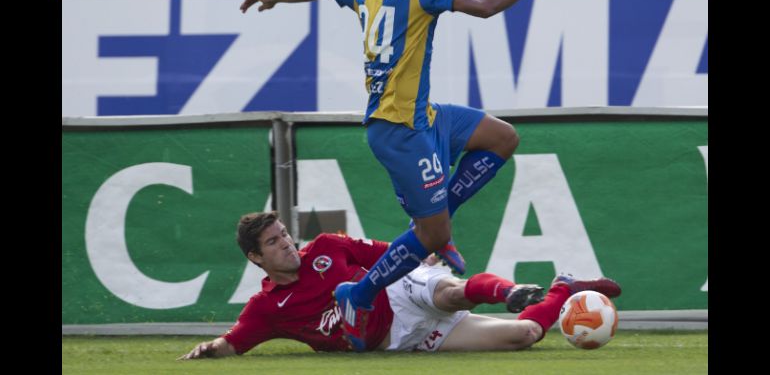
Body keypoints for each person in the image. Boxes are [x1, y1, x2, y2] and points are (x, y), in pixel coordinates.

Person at [239, 0, 569, 351]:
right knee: (429, 238)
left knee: (502, 138)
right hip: (400, 129)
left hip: (425, 115)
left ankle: (440, 222)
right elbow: (486, 5)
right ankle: (359, 293)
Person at [179, 212, 621, 359]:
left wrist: (423, 251)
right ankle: (563, 287)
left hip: (398, 290)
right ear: (256, 257)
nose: (287, 245)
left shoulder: (328, 247)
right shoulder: (267, 308)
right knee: (523, 335)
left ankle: (508, 292)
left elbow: (391, 255)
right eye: (274, 243)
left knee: (449, 290)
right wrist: (208, 350)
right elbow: (233, 343)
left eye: (285, 235)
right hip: (401, 337)